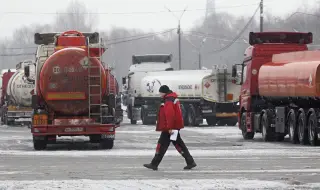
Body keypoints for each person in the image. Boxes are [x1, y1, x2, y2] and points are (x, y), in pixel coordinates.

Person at [143, 85, 197, 170]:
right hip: (172, 127)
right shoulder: (171, 98)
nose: (159, 94)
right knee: (177, 144)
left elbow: (169, 115)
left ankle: (154, 164)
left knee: (162, 145)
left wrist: (170, 128)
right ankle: (190, 161)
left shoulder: (168, 100)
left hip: (170, 127)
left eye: (160, 92)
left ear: (163, 92)